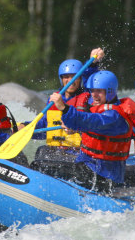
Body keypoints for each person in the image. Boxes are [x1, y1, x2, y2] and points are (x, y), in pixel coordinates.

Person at [48, 70, 133, 194]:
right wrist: (75, 128)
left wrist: (64, 108)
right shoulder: (99, 109)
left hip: (103, 175)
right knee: (44, 153)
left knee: (42, 166)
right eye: (92, 90)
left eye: (99, 91)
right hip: (90, 166)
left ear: (110, 91)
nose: (94, 95)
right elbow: (93, 128)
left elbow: (92, 121)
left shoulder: (113, 116)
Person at [27, 48, 104, 176]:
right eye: (66, 77)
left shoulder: (89, 98)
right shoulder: (54, 99)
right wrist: (25, 128)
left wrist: (94, 63)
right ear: (61, 79)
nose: (70, 80)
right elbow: (46, 125)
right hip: (57, 150)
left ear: (81, 79)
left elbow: (94, 124)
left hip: (79, 152)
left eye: (75, 77)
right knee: (41, 152)